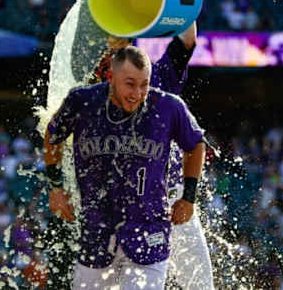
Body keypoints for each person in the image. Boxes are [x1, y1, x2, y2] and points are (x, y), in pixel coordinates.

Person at [44, 45, 206, 289]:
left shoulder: (167, 106)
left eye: (144, 84)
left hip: (149, 231)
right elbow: (52, 136)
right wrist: (55, 188)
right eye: (130, 84)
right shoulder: (82, 101)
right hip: (96, 232)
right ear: (110, 77)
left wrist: (189, 197)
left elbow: (195, 145)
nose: (137, 93)